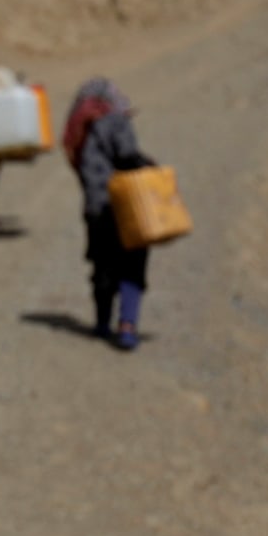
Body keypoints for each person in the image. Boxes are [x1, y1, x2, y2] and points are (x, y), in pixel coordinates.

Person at [63, 78, 155, 351]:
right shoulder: (114, 120)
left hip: (94, 207)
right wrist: (150, 167)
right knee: (133, 261)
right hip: (125, 205)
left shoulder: (79, 131)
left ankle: (102, 322)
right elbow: (126, 155)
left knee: (102, 263)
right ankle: (127, 325)